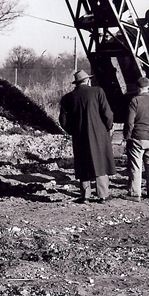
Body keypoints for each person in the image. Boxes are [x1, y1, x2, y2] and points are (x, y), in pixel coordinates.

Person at [59, 70, 116, 204]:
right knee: (100, 162)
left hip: (79, 136)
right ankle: (103, 195)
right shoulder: (97, 92)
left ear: (76, 83)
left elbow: (62, 120)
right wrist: (108, 127)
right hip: (99, 134)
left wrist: (72, 131)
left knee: (82, 163)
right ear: (88, 80)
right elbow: (108, 114)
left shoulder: (68, 97)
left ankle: (85, 196)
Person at [122, 77, 149, 203]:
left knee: (136, 166)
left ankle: (135, 194)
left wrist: (127, 136)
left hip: (138, 138)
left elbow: (130, 122)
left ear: (137, 87)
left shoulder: (135, 101)